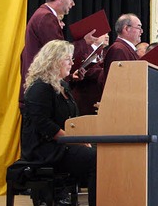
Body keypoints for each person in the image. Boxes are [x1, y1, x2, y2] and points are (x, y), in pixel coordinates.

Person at [21, 40, 96, 206]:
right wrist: (76, 140)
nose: (72, 63)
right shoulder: (40, 87)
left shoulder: (62, 85)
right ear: (53, 61)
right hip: (45, 149)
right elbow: (44, 125)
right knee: (95, 158)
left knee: (103, 152)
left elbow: (72, 119)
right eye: (67, 59)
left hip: (63, 144)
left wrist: (83, 138)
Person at [20, 0, 98, 106]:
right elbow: (58, 54)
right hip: (43, 91)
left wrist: (70, 76)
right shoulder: (46, 17)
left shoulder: (43, 15)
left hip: (40, 88)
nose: (73, 3)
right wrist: (84, 42)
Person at [102, 13, 142, 84]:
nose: (141, 31)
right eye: (138, 27)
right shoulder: (119, 49)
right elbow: (119, 82)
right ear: (126, 29)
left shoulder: (125, 48)